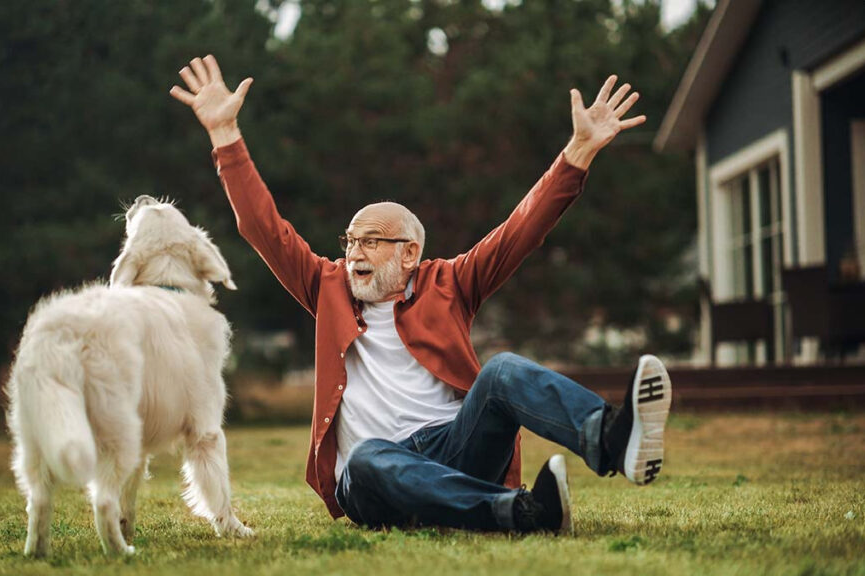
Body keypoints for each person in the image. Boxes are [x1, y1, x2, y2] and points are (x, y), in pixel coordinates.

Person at [170, 55, 672, 534]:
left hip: (456, 449)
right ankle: (519, 512)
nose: (353, 253)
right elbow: (264, 228)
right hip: (375, 478)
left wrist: (578, 152)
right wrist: (224, 134)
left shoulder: (450, 283)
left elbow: (522, 229)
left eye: (370, 241)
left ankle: (612, 439)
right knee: (370, 456)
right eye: (349, 241)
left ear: (409, 253)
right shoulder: (325, 286)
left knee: (501, 372)